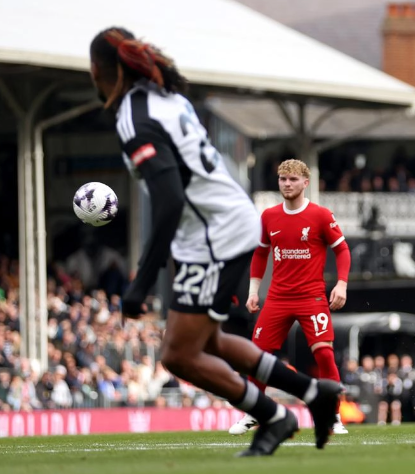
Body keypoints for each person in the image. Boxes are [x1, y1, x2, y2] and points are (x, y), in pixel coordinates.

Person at [89, 27, 340, 456]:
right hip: (210, 229)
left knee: (178, 355)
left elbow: (168, 201)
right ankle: (314, 394)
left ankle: (275, 416)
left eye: (91, 71)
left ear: (105, 71)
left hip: (215, 233)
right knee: (209, 343)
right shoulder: (169, 99)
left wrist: (141, 282)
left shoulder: (133, 115)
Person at [229, 159, 352, 435]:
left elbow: (342, 251)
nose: (287, 184)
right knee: (257, 358)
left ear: (305, 183)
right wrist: (253, 291)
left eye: (293, 180)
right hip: (277, 299)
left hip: (312, 298)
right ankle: (254, 413)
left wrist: (341, 284)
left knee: (324, 355)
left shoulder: (321, 215)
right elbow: (260, 253)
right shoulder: (269, 216)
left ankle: (333, 417)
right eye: (283, 180)